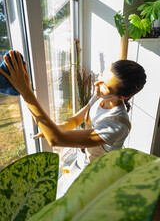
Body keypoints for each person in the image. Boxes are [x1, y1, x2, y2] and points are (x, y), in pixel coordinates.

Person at [0, 50, 146, 162]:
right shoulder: (99, 96)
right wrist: (56, 128)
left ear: (121, 97)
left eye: (105, 86)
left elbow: (56, 140)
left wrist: (26, 91)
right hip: (90, 163)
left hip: (104, 174)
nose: (96, 84)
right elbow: (76, 120)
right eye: (102, 75)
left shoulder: (116, 125)